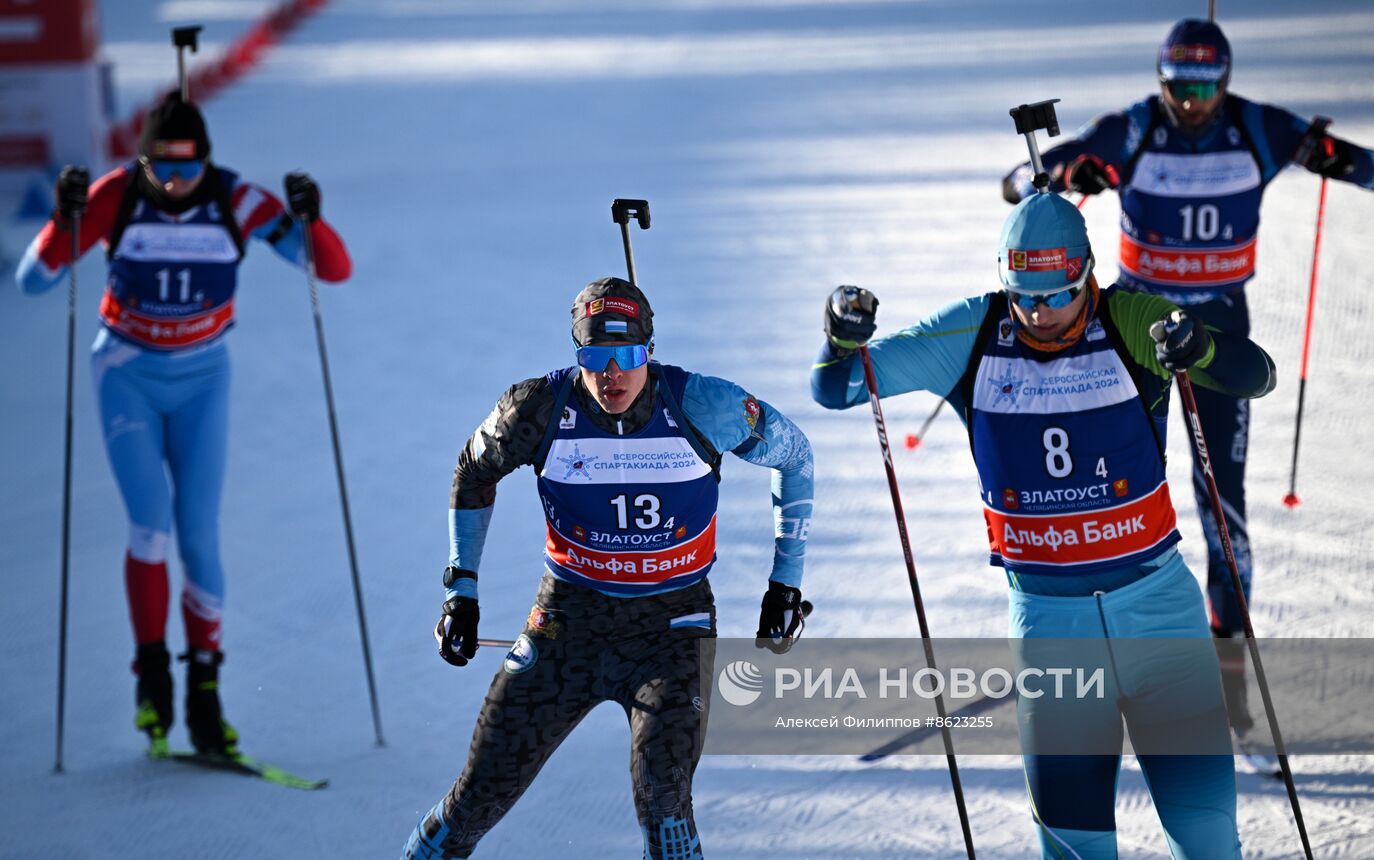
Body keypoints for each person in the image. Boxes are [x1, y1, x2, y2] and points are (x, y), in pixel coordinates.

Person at [812, 191, 1276, 857]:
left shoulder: (1131, 318)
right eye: (1023, 296)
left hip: (1162, 621)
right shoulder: (972, 333)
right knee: (1073, 847)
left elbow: (1256, 374)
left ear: (1087, 273)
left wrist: (1199, 346)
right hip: (1053, 637)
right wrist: (840, 338)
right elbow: (839, 387)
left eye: (1056, 295)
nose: (1039, 313)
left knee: (1207, 842)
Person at [1000, 18, 1374, 739]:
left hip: (1217, 329)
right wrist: (1068, 173)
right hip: (1136, 329)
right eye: (1179, 85)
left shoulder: (1257, 128)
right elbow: (1017, 184)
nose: (1191, 101)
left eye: (1206, 85)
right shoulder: (1134, 130)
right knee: (1126, 494)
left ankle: (1230, 675)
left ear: (1227, 79)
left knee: (1222, 502)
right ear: (1161, 80)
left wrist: (1338, 157)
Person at [403, 277, 815, 859]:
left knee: (664, 800)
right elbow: (473, 470)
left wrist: (785, 585)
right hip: (567, 624)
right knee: (478, 795)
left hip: (671, 629)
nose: (611, 373)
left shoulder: (703, 405)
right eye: (596, 356)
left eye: (627, 355)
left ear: (649, 349)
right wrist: (461, 590)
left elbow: (795, 455)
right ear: (578, 355)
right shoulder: (537, 409)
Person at [15, 91, 352, 757]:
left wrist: (313, 221)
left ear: (207, 161)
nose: (175, 184)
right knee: (150, 526)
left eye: (189, 170)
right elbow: (33, 281)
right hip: (126, 373)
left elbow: (333, 270)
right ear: (141, 164)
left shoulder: (237, 199)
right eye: (163, 172)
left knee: (198, 531)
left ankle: (204, 690)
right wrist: (64, 218)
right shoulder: (117, 195)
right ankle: (151, 681)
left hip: (203, 377)